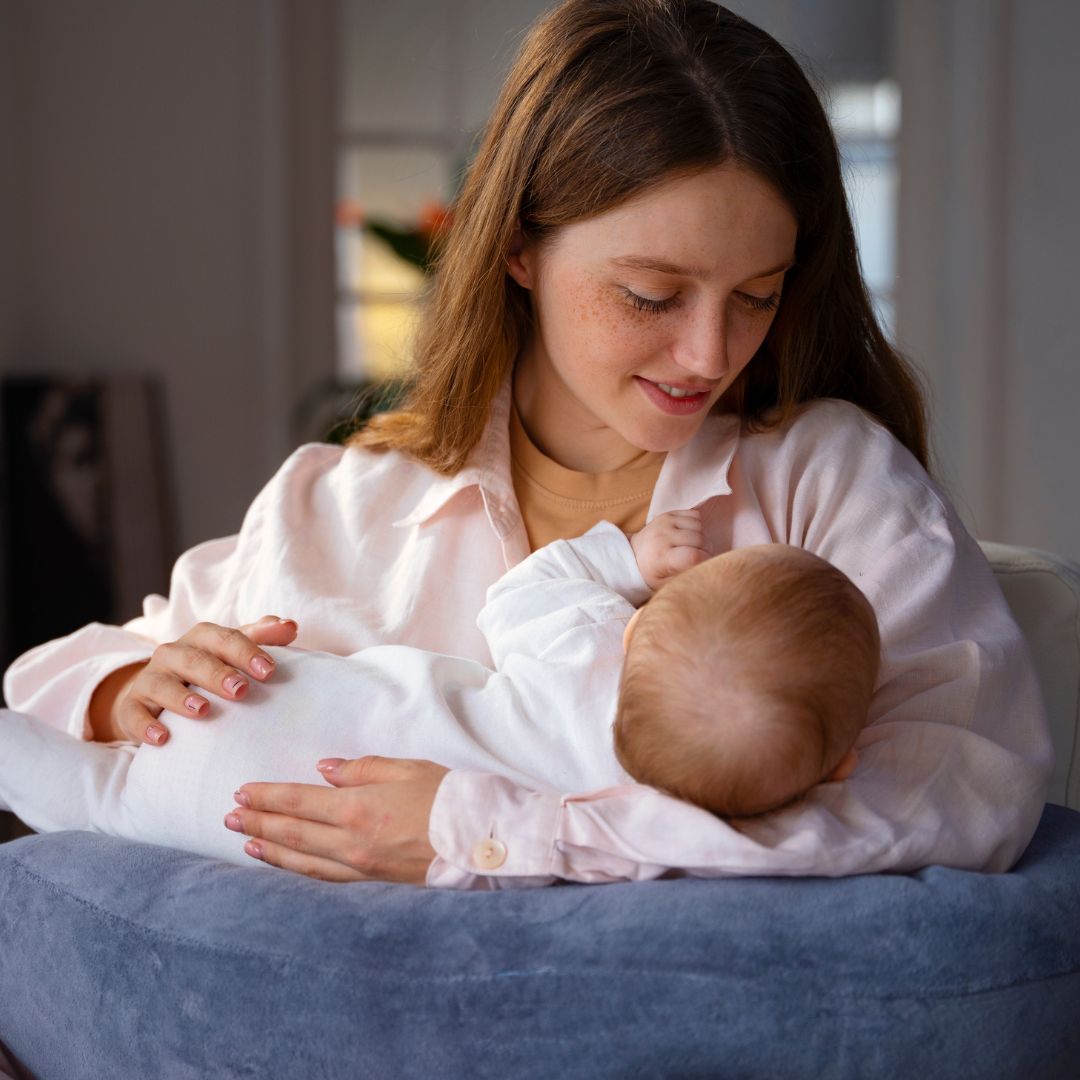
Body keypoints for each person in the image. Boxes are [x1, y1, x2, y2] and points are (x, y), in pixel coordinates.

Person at [2, 0, 1051, 888]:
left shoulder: (830, 482)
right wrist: (115, 693)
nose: (707, 351)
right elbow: (58, 678)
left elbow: (963, 793)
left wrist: (497, 834)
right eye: (651, 294)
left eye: (757, 297)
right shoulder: (343, 503)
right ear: (515, 248)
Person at [0, 512, 874, 863]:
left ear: (642, 625)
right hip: (232, 825)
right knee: (96, 794)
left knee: (85, 785)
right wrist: (120, 687)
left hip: (260, 694)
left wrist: (626, 560)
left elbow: (521, 594)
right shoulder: (670, 833)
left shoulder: (590, 645)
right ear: (836, 768)